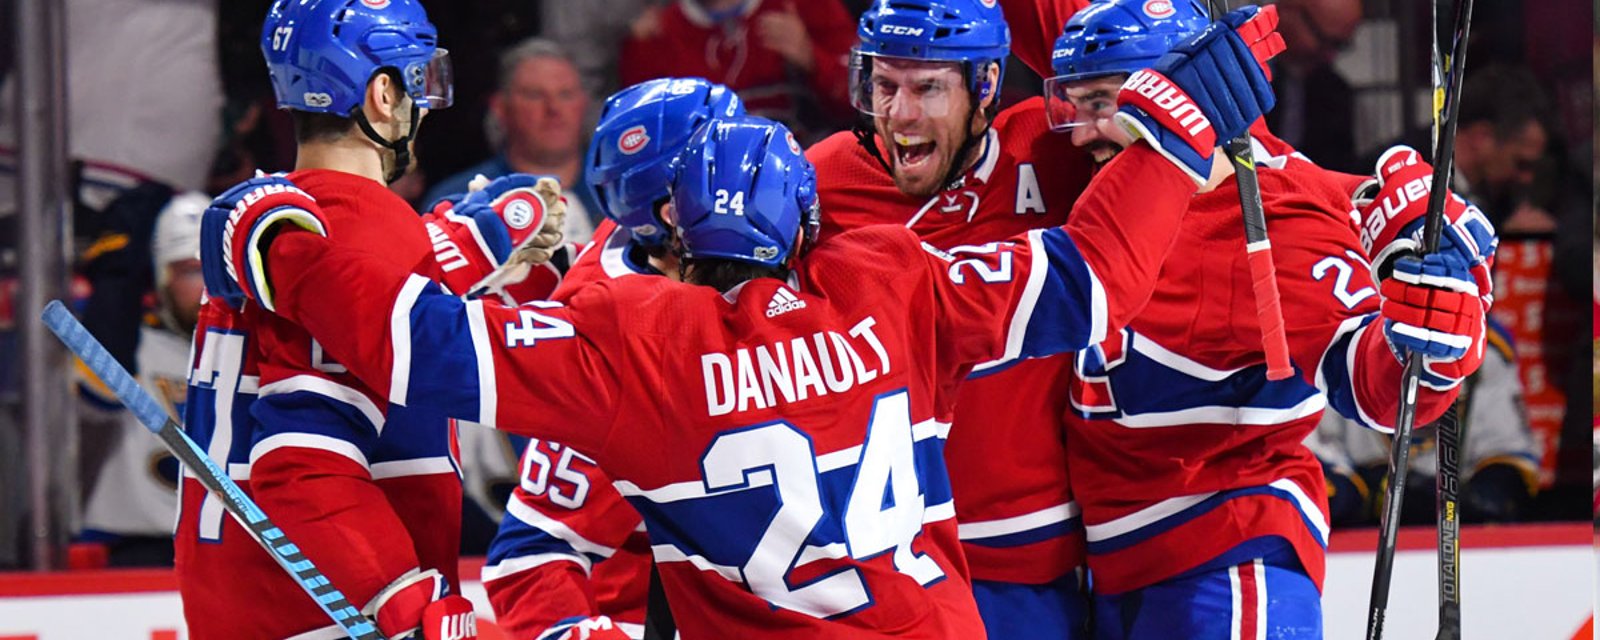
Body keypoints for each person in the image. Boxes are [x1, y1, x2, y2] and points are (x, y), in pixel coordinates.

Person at [199, 14, 1287, 634]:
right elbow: (1093, 275)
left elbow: (417, 351)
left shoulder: (624, 343)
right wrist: (1178, 136)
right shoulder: (890, 277)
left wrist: (278, 239)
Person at [1044, 2, 1495, 636]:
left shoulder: (1276, 227)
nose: (1085, 131)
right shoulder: (1105, 182)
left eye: (1106, 104)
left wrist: (1432, 339)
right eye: (1074, 105)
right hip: (1117, 574)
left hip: (1227, 568)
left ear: (1182, 98)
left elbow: (1377, 383)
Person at [174, 0, 535, 636]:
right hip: (336, 614)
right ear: (383, 94)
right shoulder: (365, 226)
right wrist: (406, 601)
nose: (425, 107)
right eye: (419, 82)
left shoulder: (283, 219)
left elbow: (372, 309)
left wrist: (474, 241)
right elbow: (306, 460)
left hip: (239, 601)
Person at [804, 0, 1099, 634]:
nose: (900, 114)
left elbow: (1177, 144)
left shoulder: (1054, 149)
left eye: (928, 87)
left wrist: (1339, 198)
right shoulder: (821, 181)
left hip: (1033, 565)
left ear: (986, 86)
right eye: (884, 85)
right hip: (882, 570)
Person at [480, 77, 744, 640]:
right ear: (674, 211)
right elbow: (530, 560)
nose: (761, 172)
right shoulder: (608, 342)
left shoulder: (751, 253)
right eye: (732, 161)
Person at [75, 192, 208, 567]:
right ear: (162, 278)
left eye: (213, 272)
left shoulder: (253, 352)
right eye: (190, 271)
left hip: (224, 548)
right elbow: (96, 397)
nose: (205, 291)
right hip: (135, 548)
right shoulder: (132, 345)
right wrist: (116, 280)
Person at [1308, 316, 1539, 526]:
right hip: (1359, 529)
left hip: (1457, 528)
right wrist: (1374, 490)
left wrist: (1487, 493)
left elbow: (1509, 454)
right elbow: (1312, 458)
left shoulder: (1482, 341)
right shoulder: (1335, 331)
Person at [424, 38, 602, 244]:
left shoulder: (621, 189)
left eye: (566, 94)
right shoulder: (454, 203)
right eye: (535, 95)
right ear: (500, 107)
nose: (554, 108)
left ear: (584, 103)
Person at [618, 0, 859, 143]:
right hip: (703, 187)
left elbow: (864, 99)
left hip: (809, 163)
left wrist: (810, 56)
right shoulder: (653, 37)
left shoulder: (800, 6)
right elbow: (643, 139)